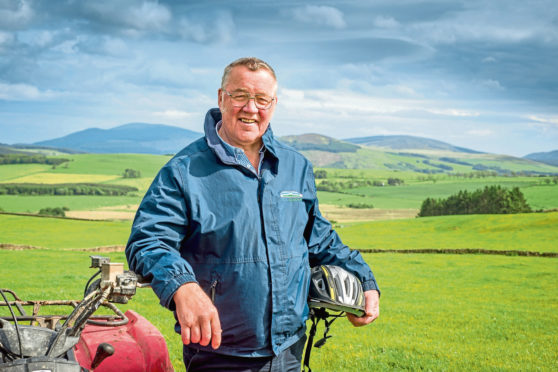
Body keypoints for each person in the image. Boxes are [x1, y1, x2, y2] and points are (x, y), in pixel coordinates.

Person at [125, 57, 380, 372]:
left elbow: (318, 238)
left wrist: (365, 280)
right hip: (219, 354)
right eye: (240, 96)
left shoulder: (295, 166)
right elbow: (148, 240)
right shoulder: (184, 170)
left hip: (289, 349)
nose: (251, 108)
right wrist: (183, 286)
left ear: (273, 104)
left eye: (262, 99)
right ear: (221, 98)